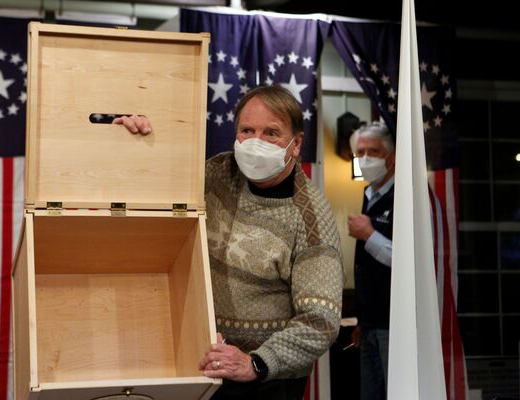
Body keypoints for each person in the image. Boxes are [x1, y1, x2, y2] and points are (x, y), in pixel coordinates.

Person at [115, 85, 344, 400]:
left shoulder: (311, 219)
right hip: (200, 361)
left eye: (271, 133)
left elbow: (321, 320)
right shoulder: (218, 172)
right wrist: (134, 143)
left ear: (296, 144)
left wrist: (256, 363)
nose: (255, 143)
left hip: (263, 382)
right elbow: (155, 186)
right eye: (247, 130)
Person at [347, 122, 395, 400]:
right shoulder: (368, 194)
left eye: (373, 151)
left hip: (395, 323)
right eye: (360, 151)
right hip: (369, 322)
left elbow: (407, 263)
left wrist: (369, 235)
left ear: (390, 157)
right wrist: (361, 320)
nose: (365, 159)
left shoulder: (403, 195)